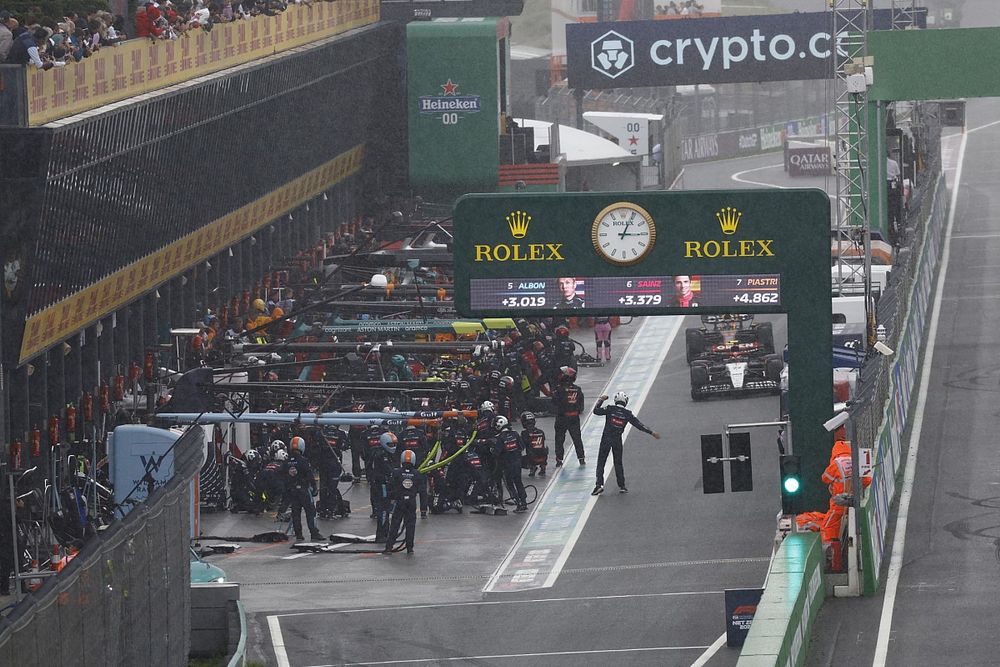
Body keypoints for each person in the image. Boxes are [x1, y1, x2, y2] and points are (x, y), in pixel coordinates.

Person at [591, 391, 660, 495]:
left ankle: (599, 485)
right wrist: (651, 432)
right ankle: (622, 486)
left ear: (615, 400)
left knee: (601, 461)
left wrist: (601, 400)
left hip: (606, 438)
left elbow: (596, 411)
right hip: (617, 439)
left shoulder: (610, 408)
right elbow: (639, 425)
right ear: (625, 402)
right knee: (618, 462)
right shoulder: (627, 414)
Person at [384, 449, 426, 555]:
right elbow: (422, 492)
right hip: (411, 502)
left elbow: (390, 487)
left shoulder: (396, 472)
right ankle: (409, 548)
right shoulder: (417, 474)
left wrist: (390, 499)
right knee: (410, 525)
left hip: (400, 501)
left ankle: (389, 547)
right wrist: (423, 509)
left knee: (395, 524)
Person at [283, 437, 323, 541]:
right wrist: (314, 487)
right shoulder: (303, 461)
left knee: (296, 514)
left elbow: (284, 477)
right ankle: (314, 533)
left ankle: (299, 534)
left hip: (292, 491)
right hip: (303, 490)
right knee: (311, 512)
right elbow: (309, 475)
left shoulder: (286, 462)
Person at [552, 366, 586, 467]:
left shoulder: (559, 389)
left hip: (562, 417)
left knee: (559, 439)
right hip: (574, 417)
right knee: (577, 439)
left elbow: (554, 402)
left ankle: (559, 460)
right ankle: (581, 458)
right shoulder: (577, 389)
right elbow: (581, 406)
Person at [493, 416, 528, 512]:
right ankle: (523, 502)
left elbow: (496, 453)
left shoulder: (500, 437)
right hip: (517, 463)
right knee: (518, 482)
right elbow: (522, 447)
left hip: (507, 465)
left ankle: (518, 502)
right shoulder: (515, 434)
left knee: (510, 484)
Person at [520, 411, 548, 478]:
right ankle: (543, 466)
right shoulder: (541, 431)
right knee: (541, 449)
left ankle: (532, 467)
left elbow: (522, 446)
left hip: (532, 458)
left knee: (517, 458)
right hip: (543, 457)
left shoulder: (525, 433)